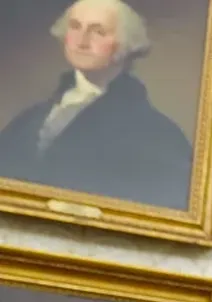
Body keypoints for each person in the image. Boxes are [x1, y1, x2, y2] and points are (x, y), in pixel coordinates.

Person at [0, 0, 194, 210]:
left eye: (98, 32)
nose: (81, 41)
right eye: (75, 27)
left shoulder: (157, 134)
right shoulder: (29, 120)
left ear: (126, 44)